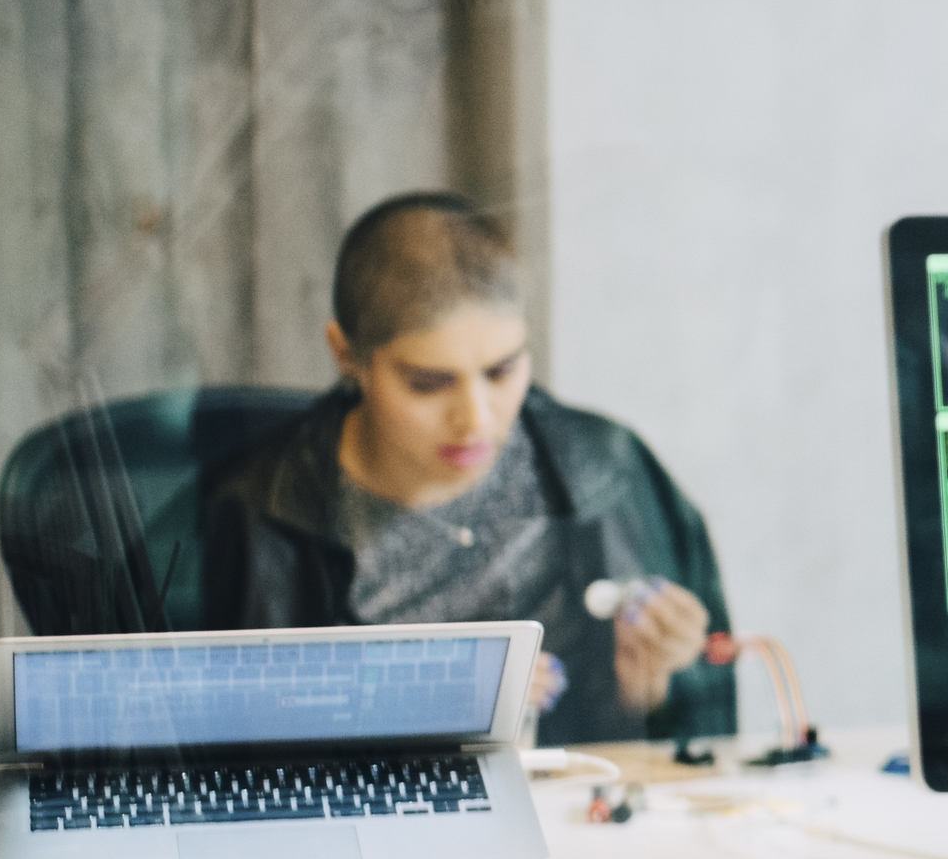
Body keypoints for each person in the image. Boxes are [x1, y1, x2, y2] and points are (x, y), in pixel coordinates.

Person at [196, 192, 734, 748]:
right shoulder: (253, 513)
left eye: (502, 371)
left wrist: (652, 696)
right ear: (347, 355)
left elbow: (704, 743)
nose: (475, 421)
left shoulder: (607, 470)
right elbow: (206, 749)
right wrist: (397, 710)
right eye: (429, 383)